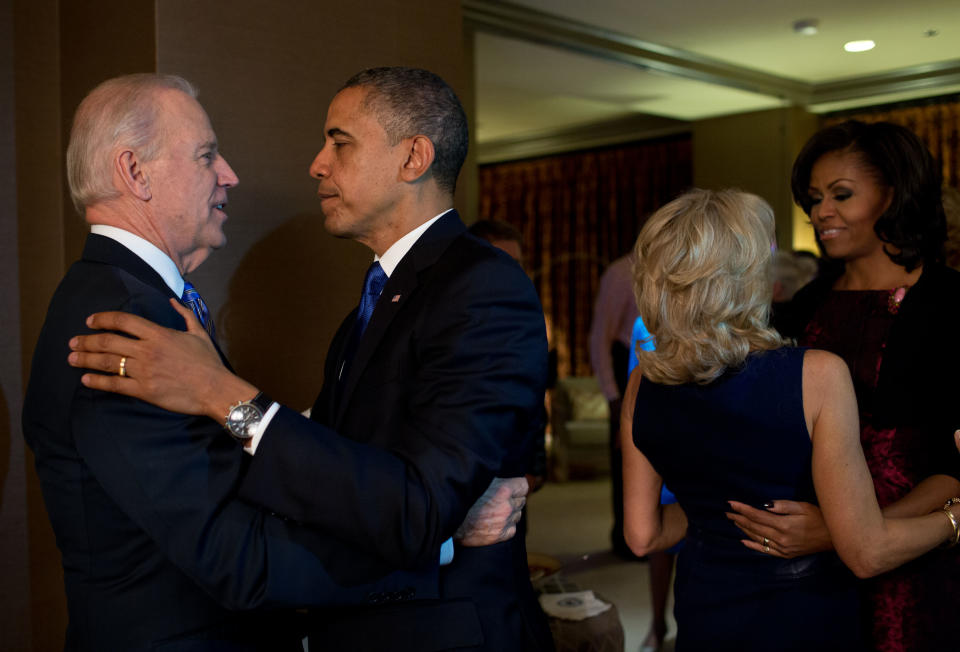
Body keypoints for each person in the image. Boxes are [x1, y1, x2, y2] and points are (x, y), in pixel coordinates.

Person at [23, 73, 524, 652]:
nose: (229, 174)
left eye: (340, 143)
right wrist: (438, 532)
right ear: (135, 173)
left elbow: (236, 465)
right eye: (208, 154)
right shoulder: (127, 321)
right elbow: (239, 557)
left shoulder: (140, 304)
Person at [620, 188, 960, 651]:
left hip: (705, 611)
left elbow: (643, 535)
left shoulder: (643, 381)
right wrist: (955, 518)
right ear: (747, 276)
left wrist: (715, 506)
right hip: (802, 614)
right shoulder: (816, 373)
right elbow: (867, 552)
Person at [727, 121, 960, 651]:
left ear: (894, 194)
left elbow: (954, 467)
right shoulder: (800, 308)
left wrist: (844, 531)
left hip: (916, 565)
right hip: (806, 571)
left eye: (841, 195)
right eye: (813, 199)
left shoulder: (949, 305)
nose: (820, 213)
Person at [588, 253, 639, 557]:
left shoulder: (679, 267)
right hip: (626, 369)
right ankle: (627, 540)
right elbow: (599, 339)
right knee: (626, 464)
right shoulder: (621, 273)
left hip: (664, 369)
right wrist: (613, 396)